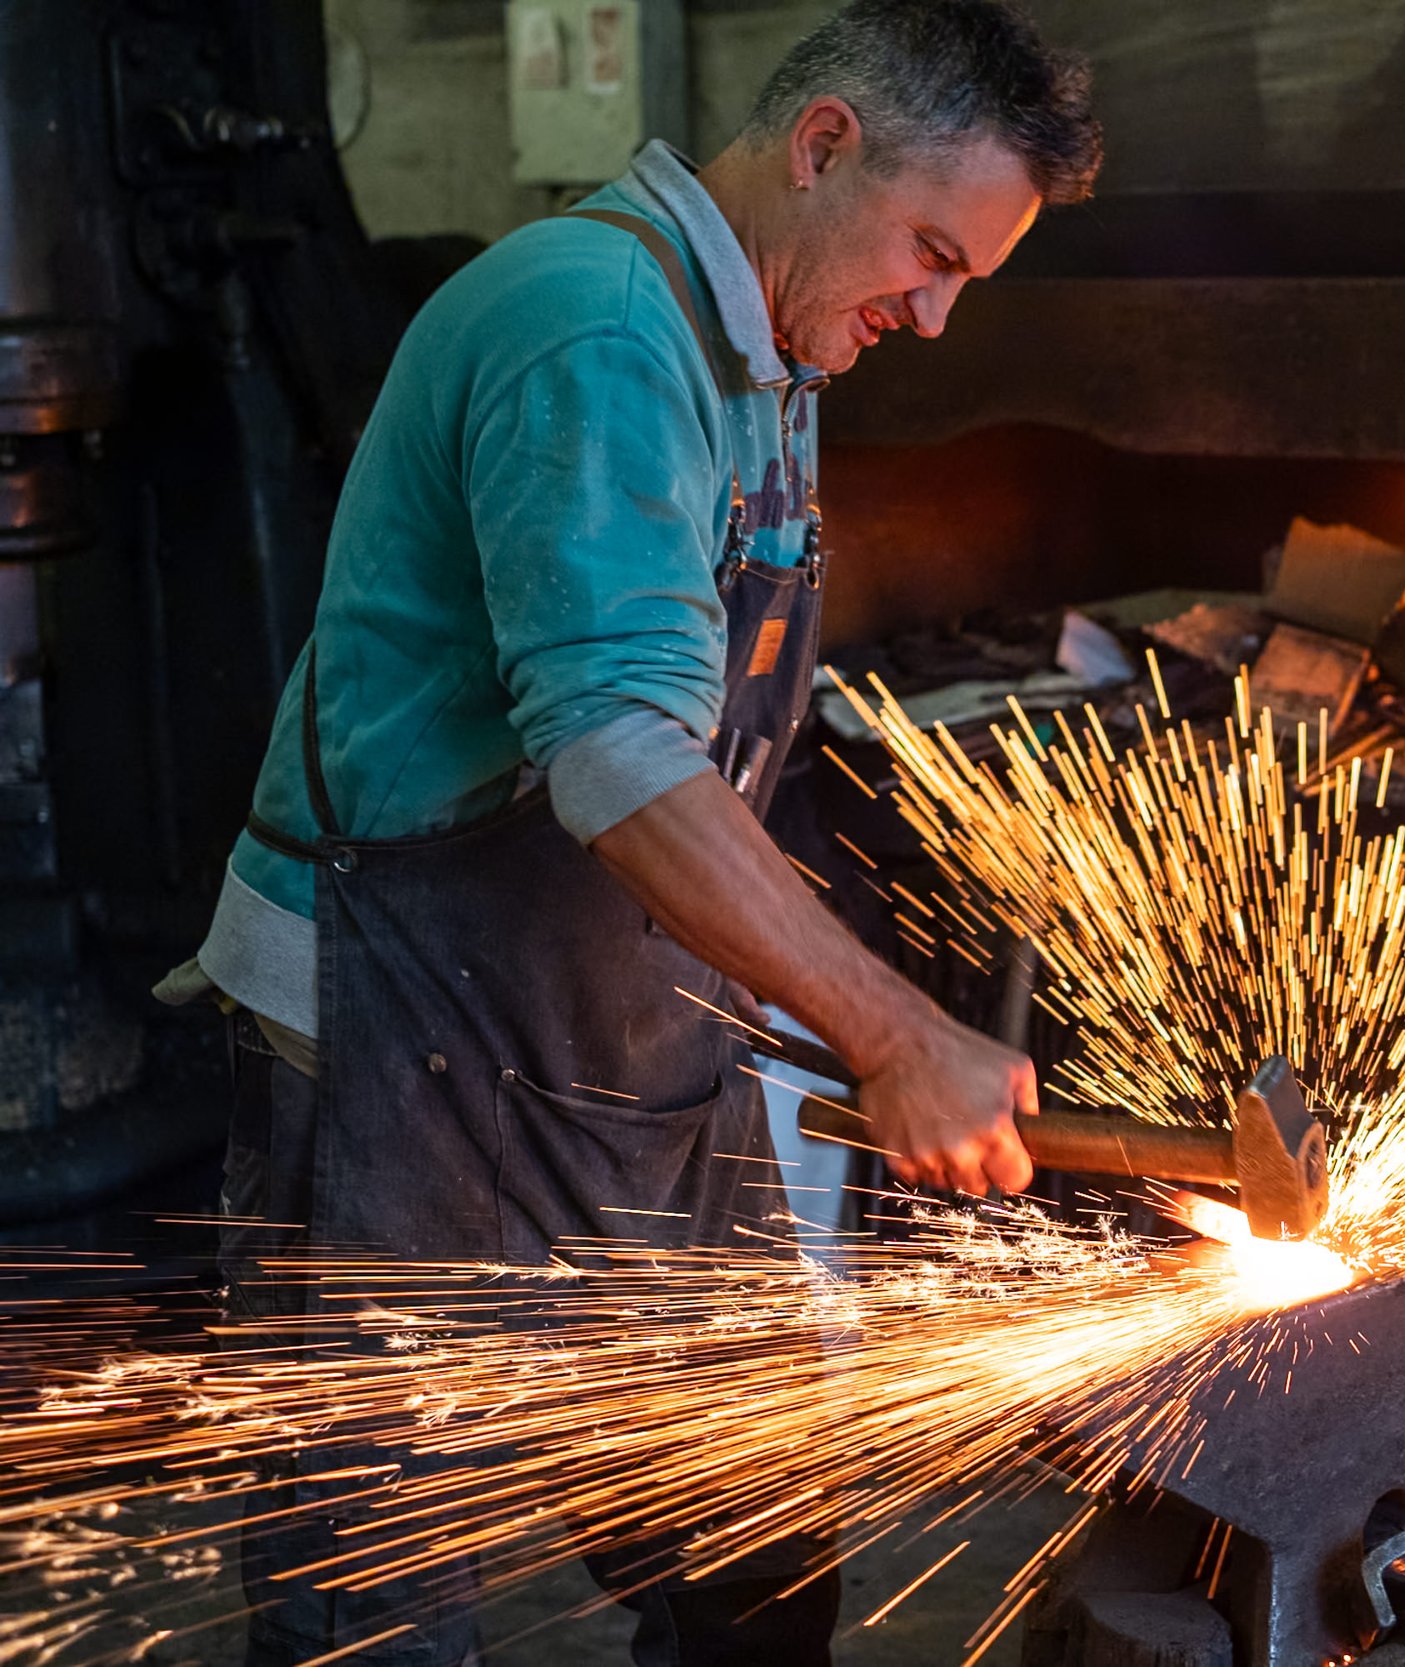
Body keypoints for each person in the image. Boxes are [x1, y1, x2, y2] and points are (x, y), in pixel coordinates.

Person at [152, 3, 1100, 1661]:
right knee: (376, 1604)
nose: (935, 317)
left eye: (968, 282)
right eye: (931, 253)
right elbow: (608, 753)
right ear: (824, 145)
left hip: (614, 1024)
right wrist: (887, 1030)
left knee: (753, 1536)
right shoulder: (593, 325)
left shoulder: (775, 346)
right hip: (397, 1028)